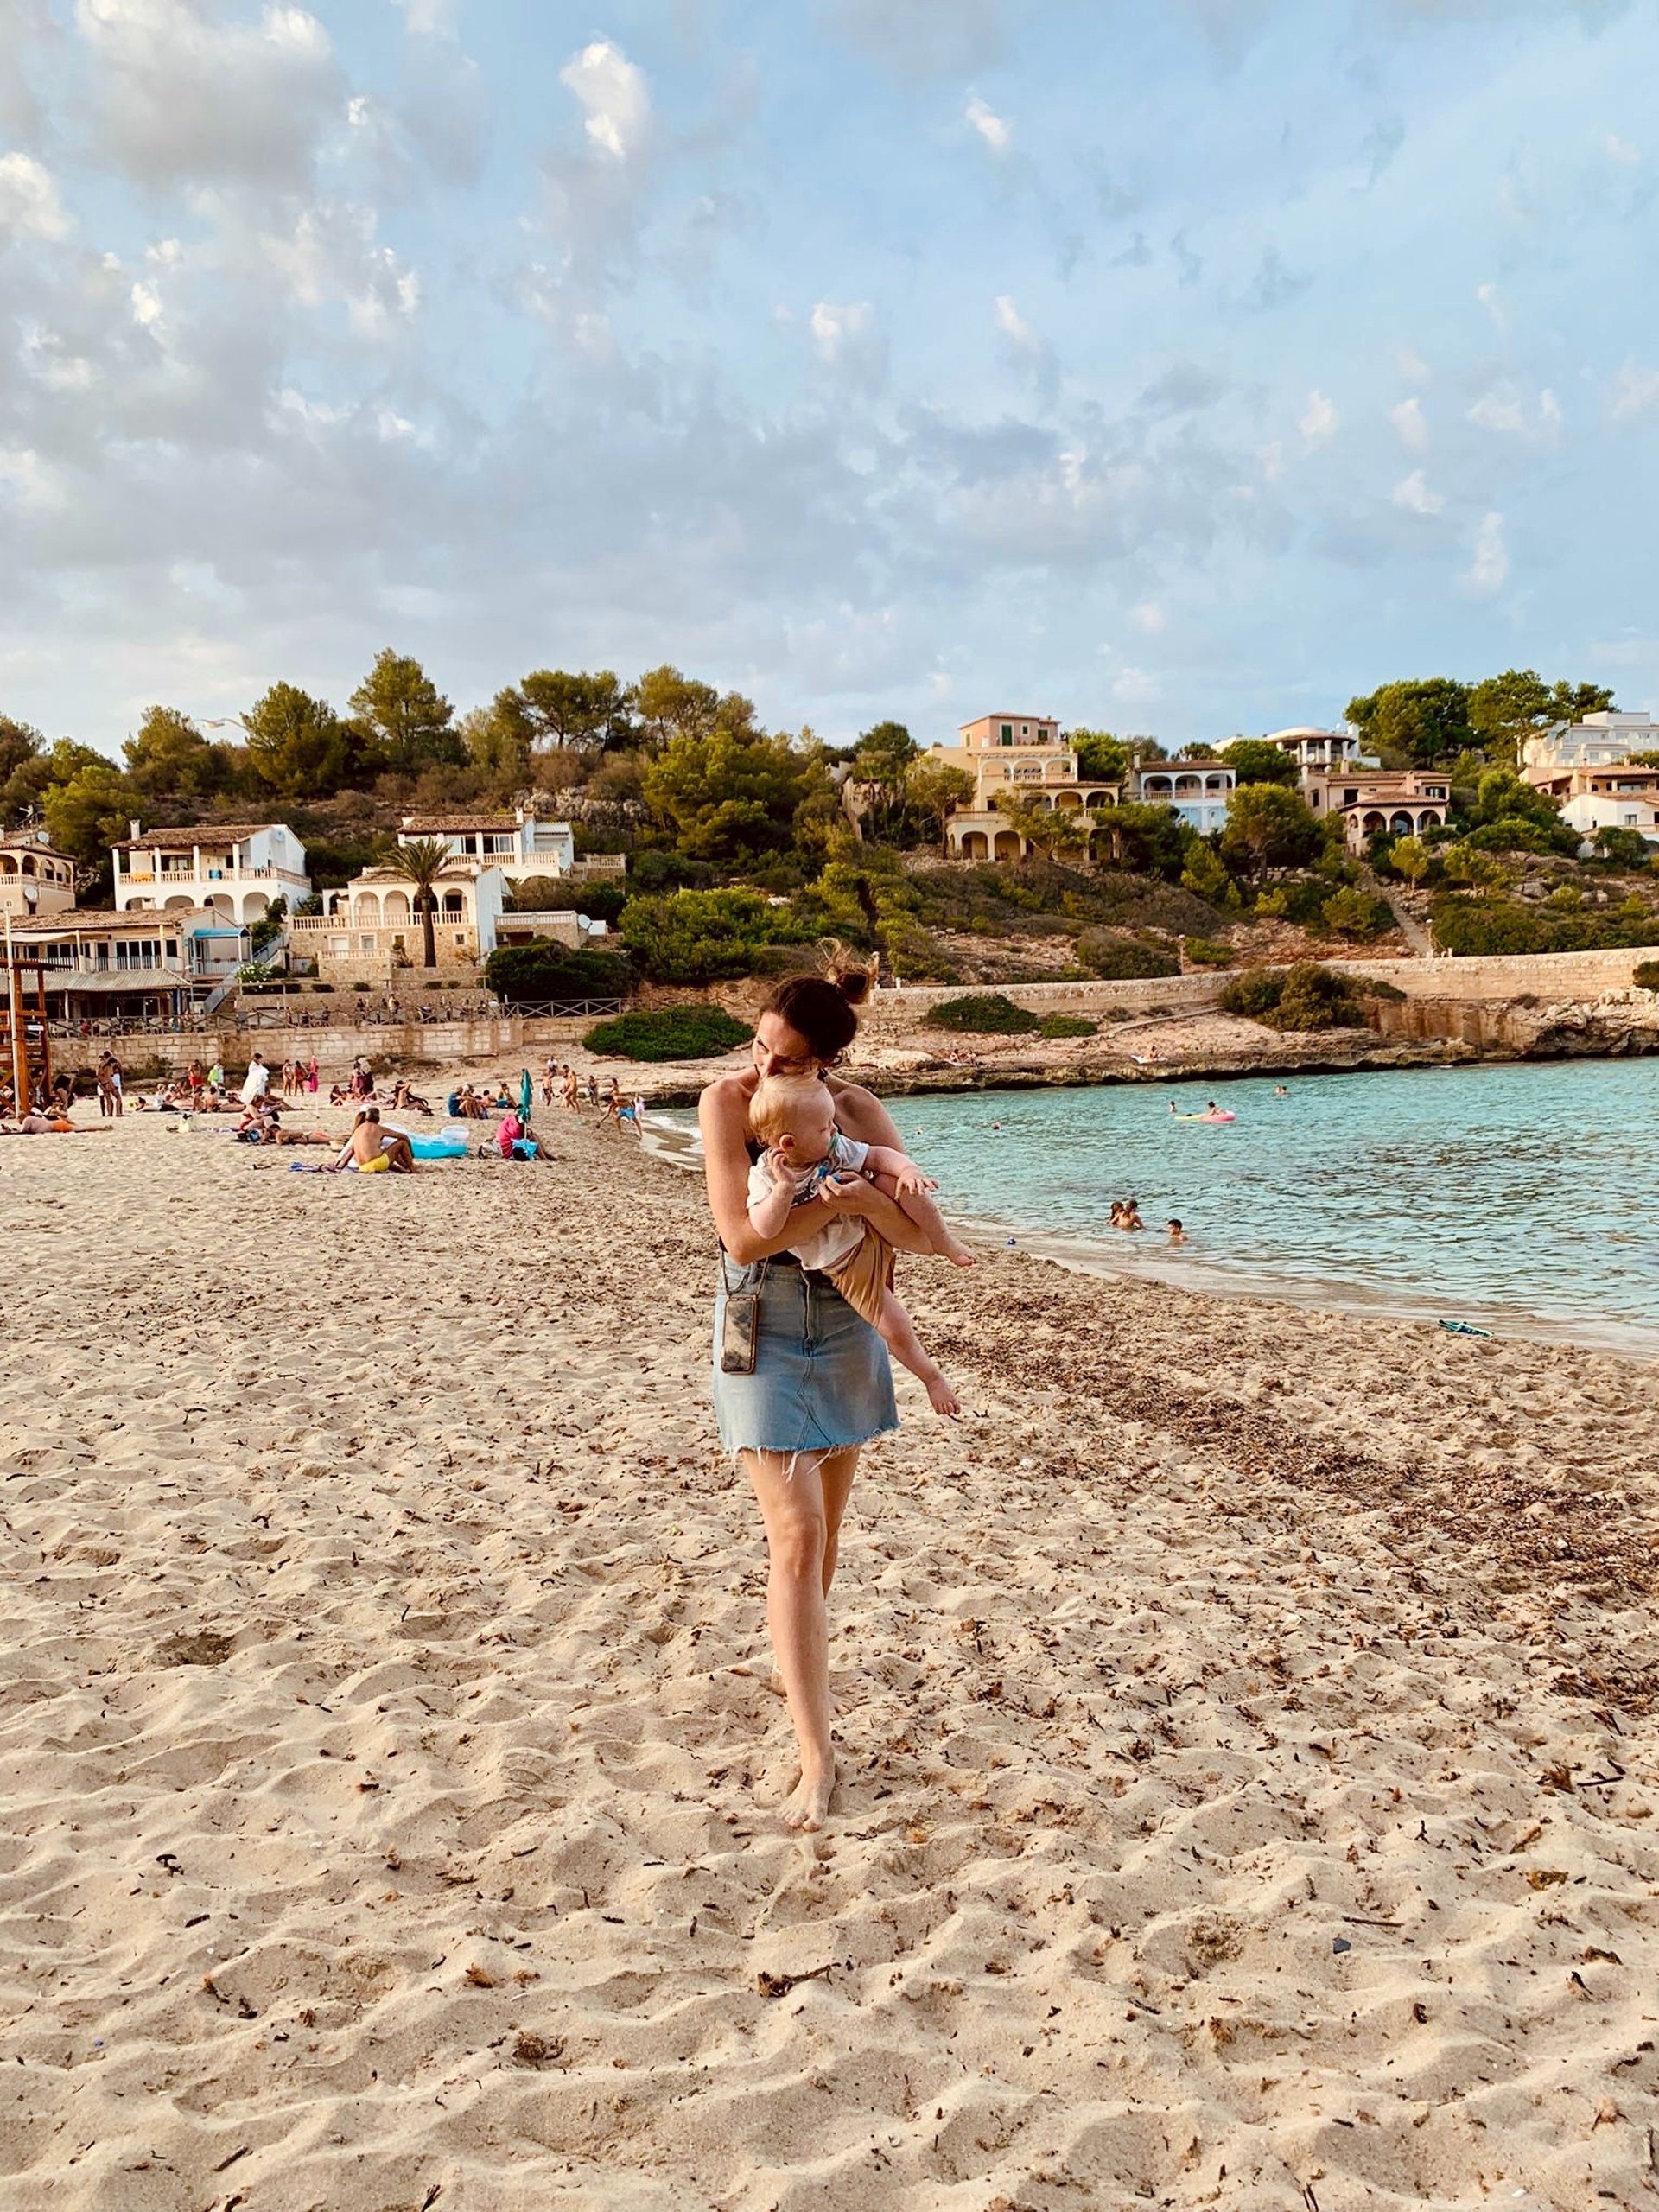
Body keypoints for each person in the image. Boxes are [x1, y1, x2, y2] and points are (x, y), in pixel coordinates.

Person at [698, 954, 963, 1835]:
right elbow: (741, 1239)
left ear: (827, 1065)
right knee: (797, 1535)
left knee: (821, 1548)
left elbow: (914, 1235)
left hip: (849, 1321)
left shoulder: (855, 1115)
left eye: (785, 1061)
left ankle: (798, 1679)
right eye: (761, 1046)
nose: (761, 1068)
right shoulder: (726, 1103)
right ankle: (818, 1754)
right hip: (762, 1327)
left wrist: (860, 1198)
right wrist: (835, 1206)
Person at [746, 1073, 963, 1417]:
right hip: (846, 1264)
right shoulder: (766, 1176)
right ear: (788, 1143)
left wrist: (907, 1170)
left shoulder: (834, 1147)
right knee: (895, 1326)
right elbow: (765, 1229)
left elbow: (877, 1155)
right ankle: (932, 1378)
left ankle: (944, 1239)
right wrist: (784, 1191)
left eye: (832, 1123)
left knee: (896, 1182)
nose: (834, 1131)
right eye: (824, 1127)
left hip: (869, 1227)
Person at [334, 1106, 416, 1174]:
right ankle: (412, 1168)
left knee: (386, 1151)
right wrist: (411, 1152)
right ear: (378, 1118)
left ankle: (404, 1168)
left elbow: (351, 1150)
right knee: (402, 1143)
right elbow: (404, 1137)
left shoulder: (358, 1129)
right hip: (377, 1164)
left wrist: (341, 1166)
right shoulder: (378, 1128)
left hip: (363, 1167)